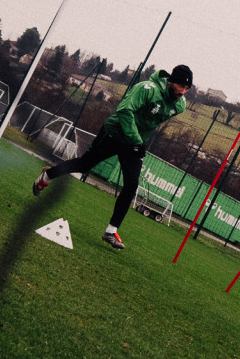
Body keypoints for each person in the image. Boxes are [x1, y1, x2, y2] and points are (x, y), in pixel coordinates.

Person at [33, 64, 192, 249]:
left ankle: (110, 231)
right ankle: (47, 175)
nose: (183, 92)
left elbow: (149, 121)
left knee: (131, 185)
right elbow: (125, 111)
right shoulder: (147, 89)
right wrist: (135, 140)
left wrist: (138, 142)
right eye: (181, 86)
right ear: (171, 81)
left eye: (187, 88)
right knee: (84, 165)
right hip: (115, 133)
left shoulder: (180, 105)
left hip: (134, 144)